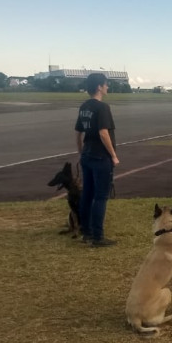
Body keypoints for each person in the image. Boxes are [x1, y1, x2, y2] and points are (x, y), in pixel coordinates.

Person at [74, 73, 119, 247]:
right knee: (100, 197)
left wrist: (81, 153)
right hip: (101, 157)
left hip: (87, 155)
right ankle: (98, 237)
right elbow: (103, 132)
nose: (107, 87)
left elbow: (78, 133)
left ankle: (86, 232)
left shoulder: (84, 107)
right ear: (99, 87)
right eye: (106, 85)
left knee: (87, 194)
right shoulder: (102, 107)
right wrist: (113, 156)